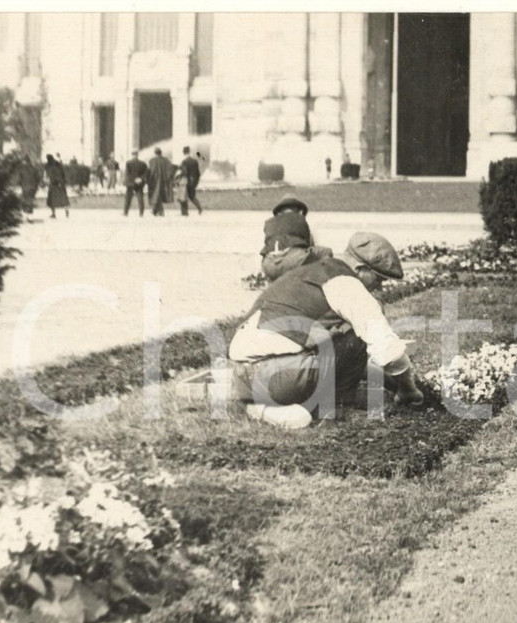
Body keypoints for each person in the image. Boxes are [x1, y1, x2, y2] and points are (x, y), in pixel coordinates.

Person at [229, 232, 424, 430]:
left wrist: (389, 383)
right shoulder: (346, 283)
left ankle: (292, 407)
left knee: (340, 338)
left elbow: (350, 358)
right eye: (378, 280)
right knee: (355, 336)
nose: (377, 288)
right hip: (281, 378)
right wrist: (409, 389)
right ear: (362, 269)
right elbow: (386, 349)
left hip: (242, 376)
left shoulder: (312, 272)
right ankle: (329, 404)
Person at [261, 194, 334, 280]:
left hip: (269, 264)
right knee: (325, 252)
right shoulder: (300, 219)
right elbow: (309, 245)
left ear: (279, 211)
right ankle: (319, 282)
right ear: (297, 209)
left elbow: (267, 246)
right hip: (292, 261)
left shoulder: (269, 223)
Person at [147, 147, 174, 217]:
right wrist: (168, 179)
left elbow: (151, 171)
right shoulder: (166, 160)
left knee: (156, 195)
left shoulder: (152, 160)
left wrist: (149, 179)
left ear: (155, 153)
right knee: (159, 195)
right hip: (164, 181)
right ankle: (154, 211)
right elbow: (170, 170)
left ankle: (161, 211)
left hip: (155, 181)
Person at [178, 146, 203, 216]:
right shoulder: (195, 161)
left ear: (183, 153)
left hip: (186, 182)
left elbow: (184, 172)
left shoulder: (184, 161)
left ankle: (184, 212)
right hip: (193, 182)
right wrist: (196, 182)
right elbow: (198, 173)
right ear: (189, 152)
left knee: (183, 197)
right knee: (192, 196)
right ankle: (199, 208)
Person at [123, 149, 148, 217]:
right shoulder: (143, 163)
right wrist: (140, 179)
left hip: (130, 183)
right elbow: (145, 173)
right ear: (137, 155)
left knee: (128, 198)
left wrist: (132, 180)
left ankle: (125, 212)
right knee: (140, 198)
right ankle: (141, 213)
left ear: (132, 155)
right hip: (139, 183)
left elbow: (127, 174)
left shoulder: (128, 163)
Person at [45, 154, 70, 219]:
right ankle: (66, 211)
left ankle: (53, 213)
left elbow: (48, 174)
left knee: (52, 199)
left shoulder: (48, 165)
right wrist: (64, 181)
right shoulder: (58, 164)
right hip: (60, 184)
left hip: (53, 184)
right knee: (63, 198)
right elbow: (63, 173)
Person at [18, 155, 42, 222]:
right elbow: (38, 178)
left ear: (25, 161)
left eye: (23, 161)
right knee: (30, 201)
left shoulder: (21, 169)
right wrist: (36, 186)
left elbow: (19, 179)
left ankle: (26, 216)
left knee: (25, 201)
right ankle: (29, 216)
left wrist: (20, 184)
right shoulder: (34, 169)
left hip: (25, 187)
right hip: (33, 188)